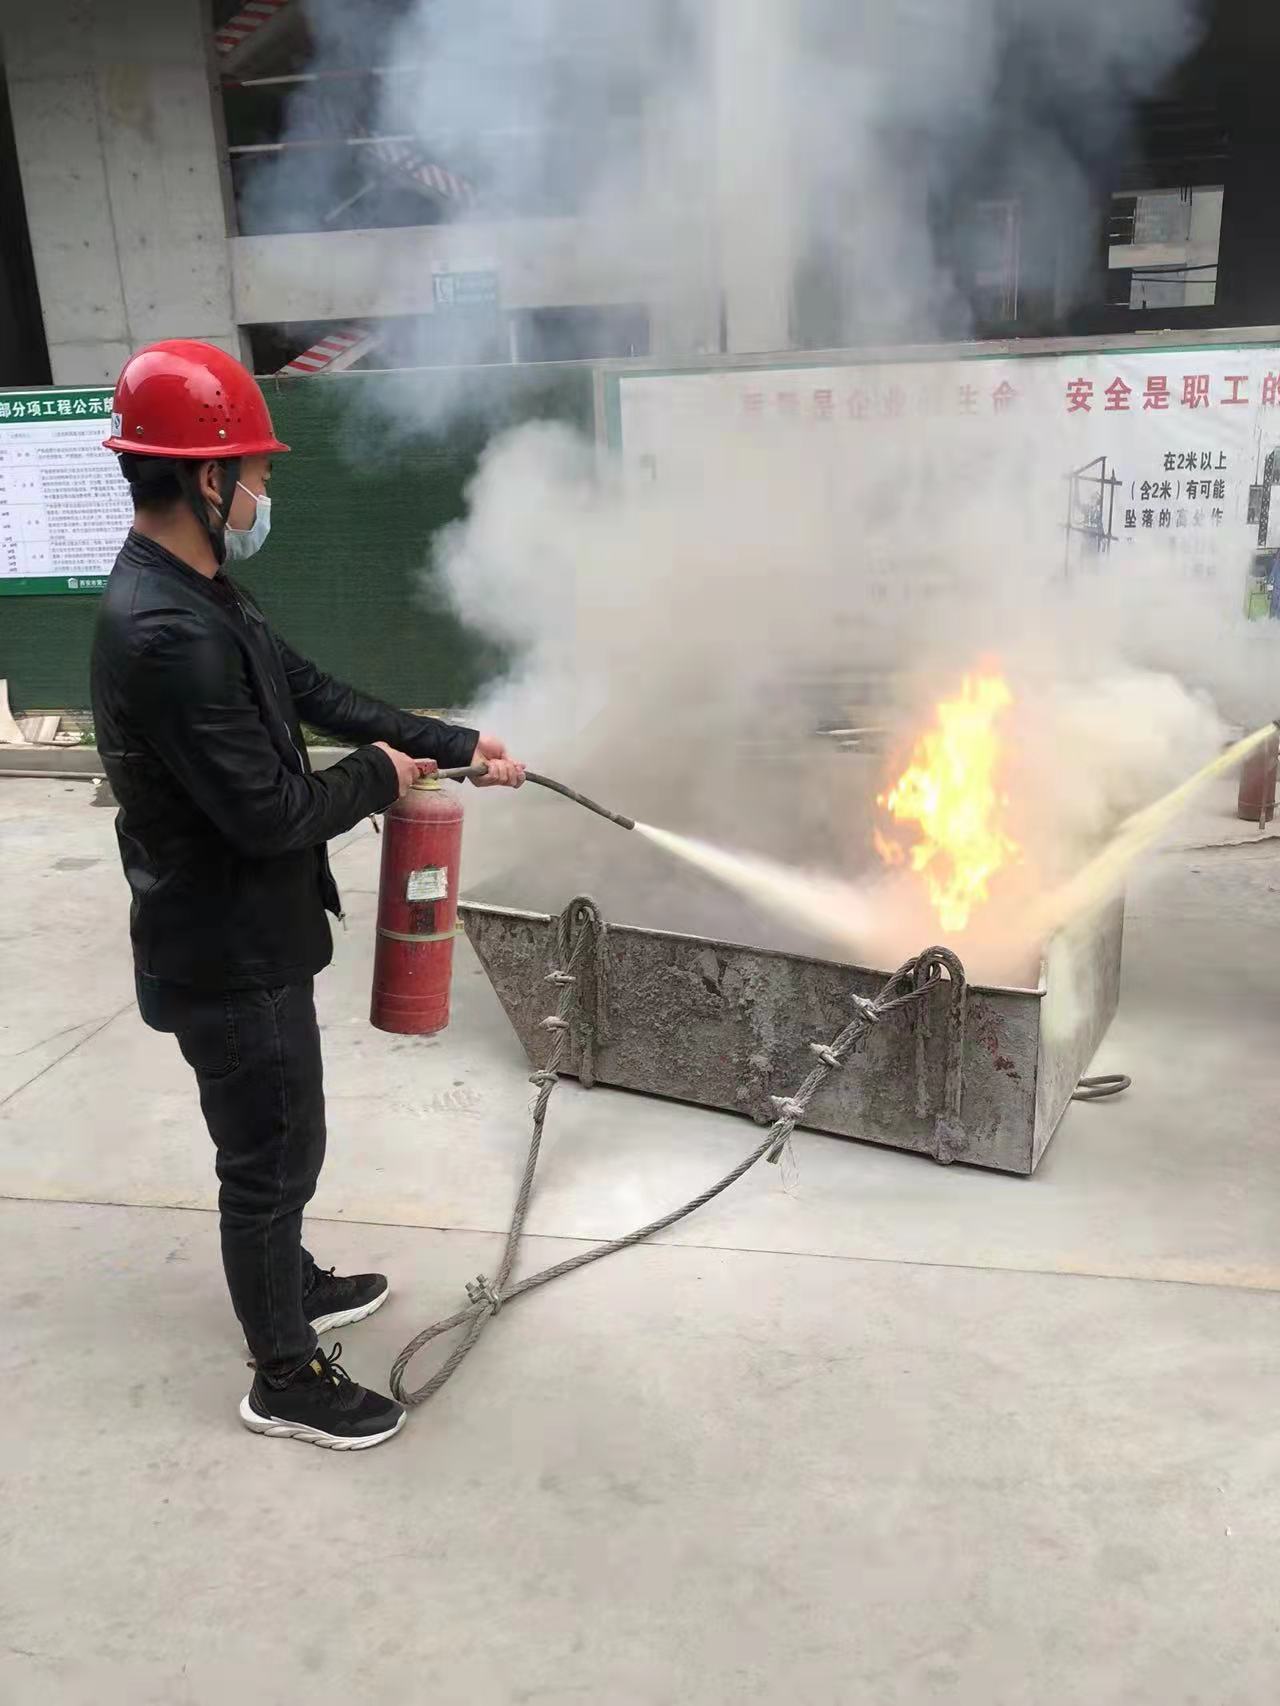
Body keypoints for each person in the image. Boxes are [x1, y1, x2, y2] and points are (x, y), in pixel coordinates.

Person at [91, 340, 525, 1450]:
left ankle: (291, 1282)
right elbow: (272, 815)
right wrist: (380, 774)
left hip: (244, 933)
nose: (264, 494)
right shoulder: (166, 633)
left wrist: (455, 742)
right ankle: (283, 1376)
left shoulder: (200, 595)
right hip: (225, 951)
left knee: (281, 1140)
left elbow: (314, 690)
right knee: (271, 1156)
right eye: (258, 473)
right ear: (208, 477)